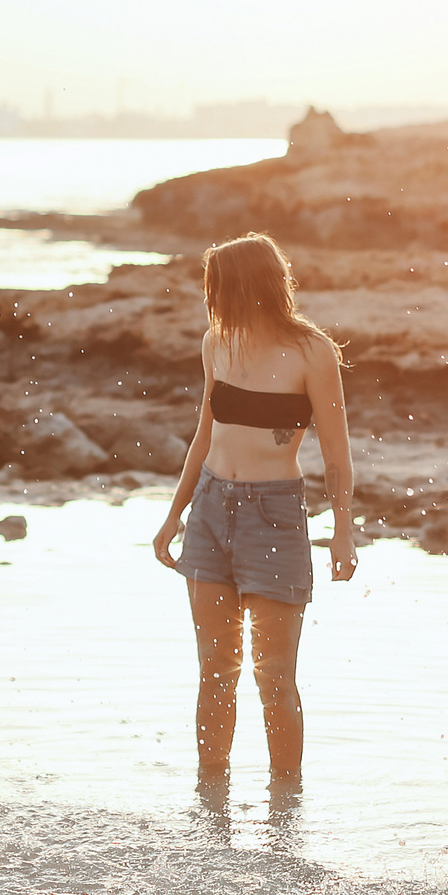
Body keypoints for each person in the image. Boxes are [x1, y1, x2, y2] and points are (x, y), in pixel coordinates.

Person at [154, 233, 357, 777]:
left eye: (217, 286)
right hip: (210, 511)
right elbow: (204, 436)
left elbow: (336, 451)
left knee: (274, 679)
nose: (210, 299)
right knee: (215, 670)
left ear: (247, 286)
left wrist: (343, 531)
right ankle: (209, 810)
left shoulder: (313, 352)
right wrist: (174, 516)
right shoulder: (216, 343)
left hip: (275, 515)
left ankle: (285, 815)